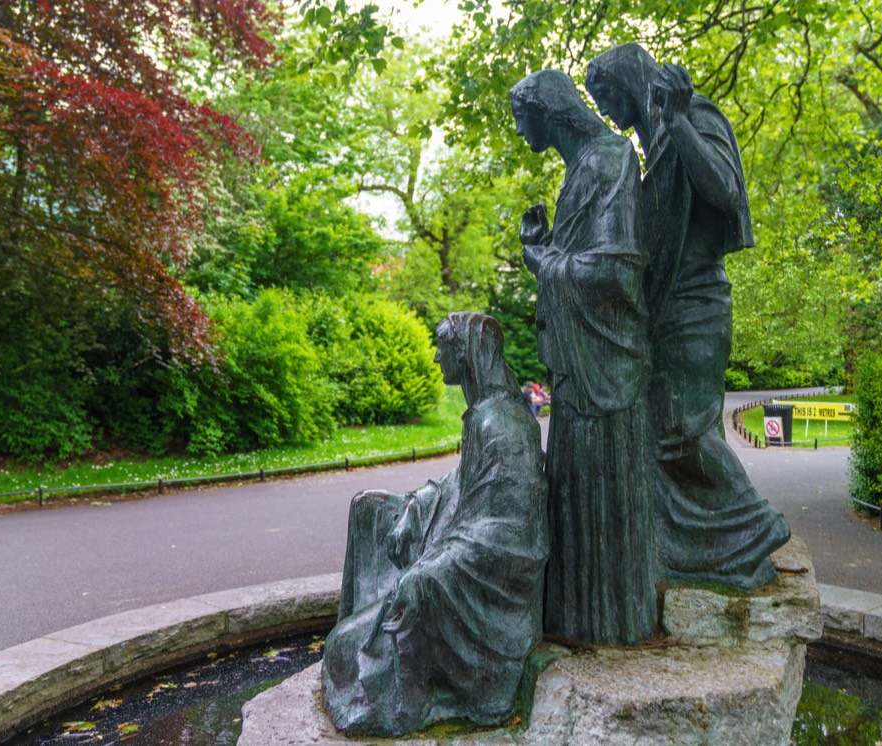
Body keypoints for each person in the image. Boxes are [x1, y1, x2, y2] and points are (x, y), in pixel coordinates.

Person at [586, 43, 789, 589]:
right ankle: (695, 548)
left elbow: (725, 193)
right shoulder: (650, 154)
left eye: (605, 94)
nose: (604, 109)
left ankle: (754, 526)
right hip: (667, 314)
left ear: (628, 81)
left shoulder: (694, 115)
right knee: (660, 438)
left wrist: (677, 121)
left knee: (688, 435)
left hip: (699, 307)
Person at [321, 312, 548, 737]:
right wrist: (418, 503)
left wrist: (429, 572)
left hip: (480, 595)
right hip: (451, 555)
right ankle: (375, 622)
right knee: (369, 508)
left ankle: (408, 673)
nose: (435, 356)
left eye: (442, 346)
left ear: (464, 355)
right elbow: (464, 483)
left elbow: (507, 531)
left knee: (342, 653)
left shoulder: (502, 424)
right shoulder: (484, 415)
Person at [511, 69, 656, 645]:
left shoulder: (609, 159)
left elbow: (615, 272)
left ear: (547, 111)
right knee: (576, 496)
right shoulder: (583, 168)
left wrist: (543, 262)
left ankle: (606, 627)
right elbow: (586, 261)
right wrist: (543, 250)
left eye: (522, 118)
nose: (522, 133)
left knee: (599, 498)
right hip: (580, 374)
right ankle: (579, 624)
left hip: (606, 376)